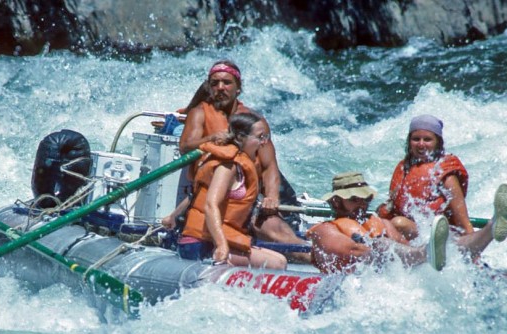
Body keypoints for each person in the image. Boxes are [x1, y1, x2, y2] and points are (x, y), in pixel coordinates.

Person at [174, 59, 311, 261]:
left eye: (227, 82)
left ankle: (325, 265)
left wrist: (271, 196)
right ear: (209, 87)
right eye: (215, 83)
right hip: (217, 196)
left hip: (246, 197)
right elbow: (186, 146)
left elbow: (269, 166)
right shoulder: (200, 113)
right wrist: (211, 138)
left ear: (239, 88)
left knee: (279, 233)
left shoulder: (254, 122)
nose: (220, 87)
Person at [377, 114, 507, 260]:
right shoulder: (403, 169)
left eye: (427, 139)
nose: (421, 144)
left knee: (400, 223)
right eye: (416, 139)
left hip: (444, 235)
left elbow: (463, 222)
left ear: (438, 142)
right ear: (409, 141)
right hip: (415, 242)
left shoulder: (445, 173)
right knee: (391, 224)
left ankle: (491, 228)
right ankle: (420, 254)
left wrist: (475, 260)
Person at [176, 112, 287, 269]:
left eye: (266, 137)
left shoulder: (240, 163)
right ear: (242, 138)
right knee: (278, 263)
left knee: (278, 258)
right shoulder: (229, 166)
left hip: (208, 241)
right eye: (260, 137)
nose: (264, 143)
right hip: (202, 244)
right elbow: (210, 205)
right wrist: (221, 245)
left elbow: (196, 196)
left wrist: (172, 217)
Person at [307, 172, 449, 274]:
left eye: (366, 199)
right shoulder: (324, 230)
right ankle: (425, 253)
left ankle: (435, 251)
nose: (362, 205)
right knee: (380, 243)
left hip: (380, 284)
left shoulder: (382, 224)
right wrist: (384, 249)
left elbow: (406, 251)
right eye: (354, 200)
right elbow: (355, 252)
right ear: (336, 202)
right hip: (344, 288)